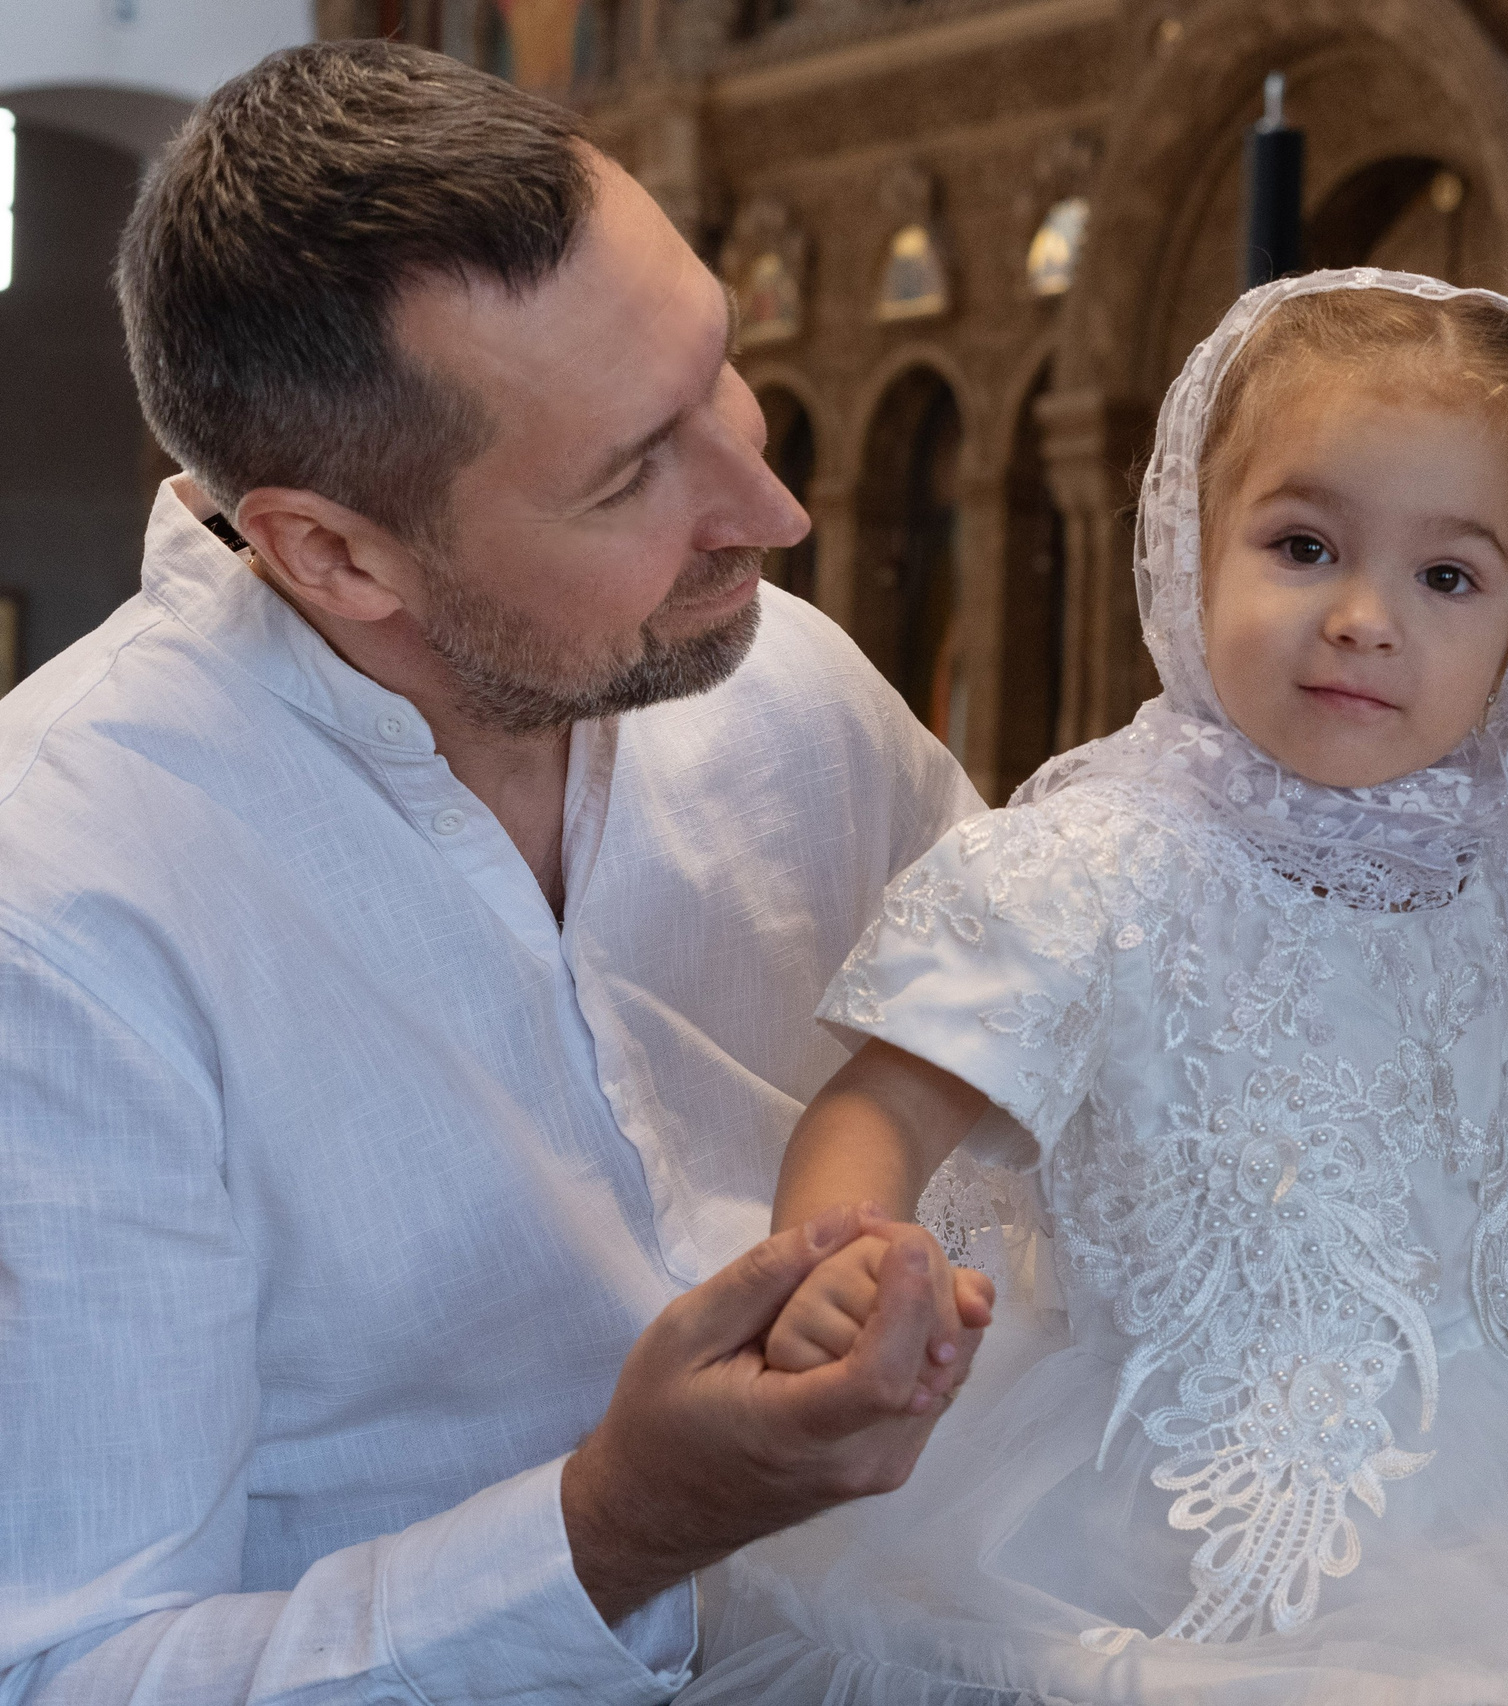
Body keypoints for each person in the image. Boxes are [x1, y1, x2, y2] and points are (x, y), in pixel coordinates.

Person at [677, 270, 1508, 1706]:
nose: (1369, 617)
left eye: (1449, 576)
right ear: (1194, 551)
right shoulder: (1093, 860)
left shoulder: (1485, 863)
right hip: (1164, 1472)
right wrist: (845, 1257)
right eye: (1305, 544)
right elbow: (891, 1090)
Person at [0, 43, 993, 1702]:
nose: (775, 505)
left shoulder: (783, 679)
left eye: (718, 375)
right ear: (332, 551)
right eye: (630, 473)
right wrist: (612, 1528)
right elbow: (79, 1668)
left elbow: (1068, 1040)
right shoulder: (64, 912)